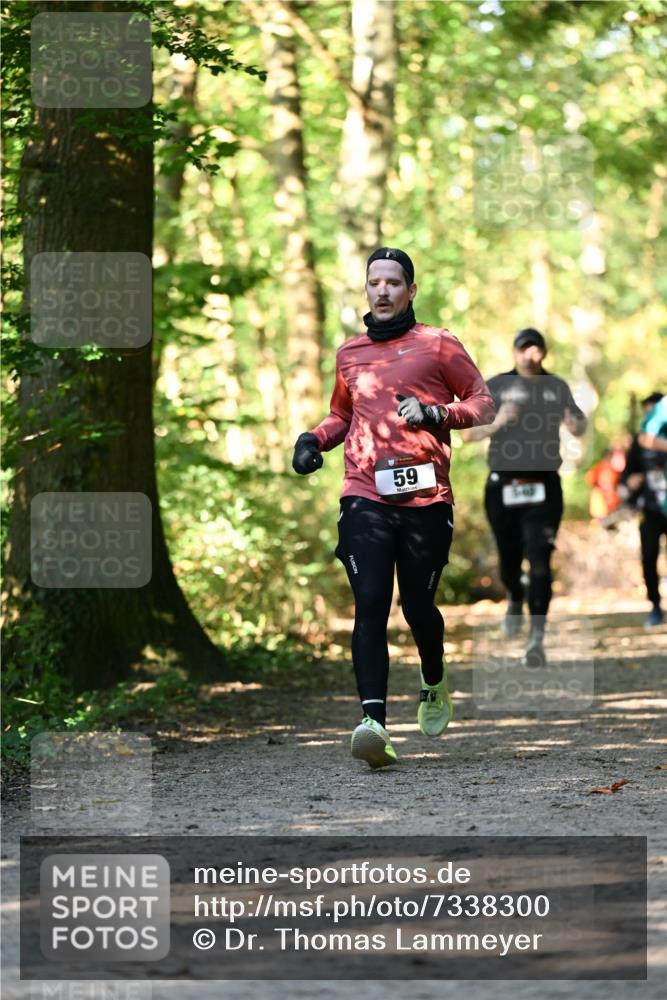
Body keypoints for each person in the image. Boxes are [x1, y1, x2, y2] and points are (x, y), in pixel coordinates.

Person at [292, 247, 494, 769]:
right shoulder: (350, 353)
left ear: (411, 290)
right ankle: (373, 724)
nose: (382, 290)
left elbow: (481, 402)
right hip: (365, 494)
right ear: (366, 289)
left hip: (427, 497)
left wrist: (435, 413)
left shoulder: (438, 343)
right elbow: (341, 414)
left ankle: (433, 677)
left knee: (417, 609)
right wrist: (313, 439)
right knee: (371, 603)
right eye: (374, 282)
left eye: (393, 282)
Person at [461, 328, 587, 665]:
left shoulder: (556, 386)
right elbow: (468, 434)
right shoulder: (498, 385)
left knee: (541, 561)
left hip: (544, 486)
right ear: (515, 352)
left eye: (536, 349)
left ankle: (536, 639)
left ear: (543, 353)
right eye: (524, 349)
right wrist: (498, 422)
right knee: (509, 562)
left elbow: (579, 424)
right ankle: (515, 595)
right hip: (502, 485)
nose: (530, 355)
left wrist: (574, 423)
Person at [624, 392, 667, 625]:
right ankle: (655, 606)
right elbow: (627, 474)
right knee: (649, 557)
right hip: (649, 509)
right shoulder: (640, 442)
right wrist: (631, 482)